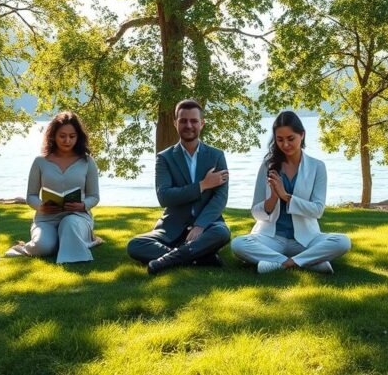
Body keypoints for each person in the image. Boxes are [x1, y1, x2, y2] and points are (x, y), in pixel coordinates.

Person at [231, 111, 351, 274]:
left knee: (343, 242)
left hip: (305, 239)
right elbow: (256, 212)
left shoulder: (317, 167)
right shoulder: (267, 166)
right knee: (238, 244)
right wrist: (273, 198)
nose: (285, 144)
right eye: (280, 140)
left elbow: (317, 210)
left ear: (302, 135)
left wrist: (285, 196)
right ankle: (308, 263)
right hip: (271, 238)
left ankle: (281, 263)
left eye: (290, 138)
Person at [127, 99, 230, 274]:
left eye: (194, 121)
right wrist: (203, 185)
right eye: (183, 121)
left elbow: (220, 197)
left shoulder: (216, 156)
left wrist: (200, 225)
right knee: (135, 245)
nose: (188, 125)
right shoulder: (164, 158)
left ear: (202, 123)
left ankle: (169, 259)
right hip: (171, 227)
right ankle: (198, 257)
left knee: (222, 232)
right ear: (175, 123)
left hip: (207, 226)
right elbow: (164, 197)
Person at [5, 111, 102, 263]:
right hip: (46, 219)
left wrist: (83, 205)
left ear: (78, 137)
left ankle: (82, 240)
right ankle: (25, 247)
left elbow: (94, 196)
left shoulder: (87, 162)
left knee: (69, 223)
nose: (67, 140)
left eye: (72, 136)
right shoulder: (40, 162)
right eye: (62, 136)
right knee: (43, 247)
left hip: (77, 217)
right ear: (53, 136)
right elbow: (31, 196)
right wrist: (41, 207)